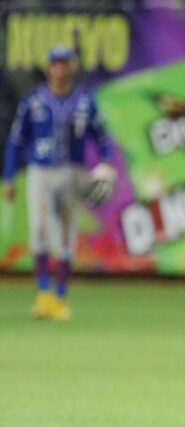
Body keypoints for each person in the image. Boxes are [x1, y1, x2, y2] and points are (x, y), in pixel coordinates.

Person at [2, 44, 113, 321]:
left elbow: (100, 136)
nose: (60, 68)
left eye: (65, 63)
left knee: (65, 236)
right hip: (40, 172)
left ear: (72, 67)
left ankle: (60, 296)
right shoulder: (34, 100)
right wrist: (8, 176)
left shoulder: (84, 101)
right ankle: (43, 295)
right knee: (38, 231)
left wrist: (106, 162)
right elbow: (16, 141)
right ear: (49, 67)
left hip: (71, 172)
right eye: (56, 63)